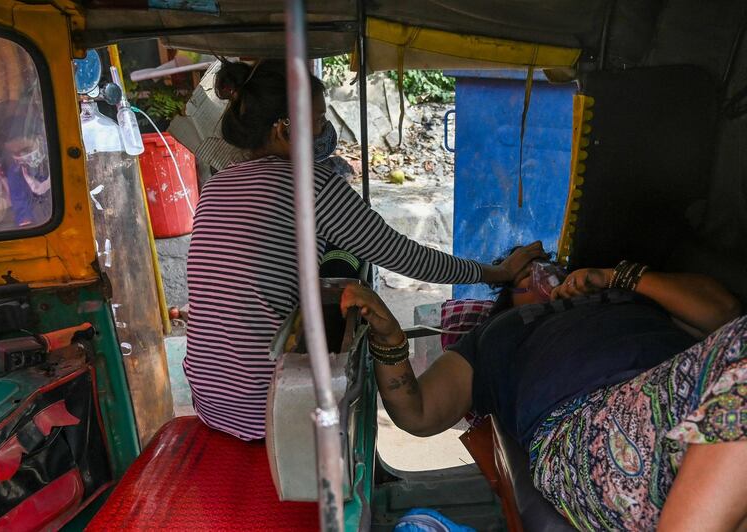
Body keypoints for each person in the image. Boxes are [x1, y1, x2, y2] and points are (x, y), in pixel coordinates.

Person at [184, 59, 546, 441]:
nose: (324, 132)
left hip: (211, 403)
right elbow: (406, 257)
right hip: (267, 410)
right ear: (283, 127)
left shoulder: (217, 184)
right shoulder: (311, 184)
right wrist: (498, 272)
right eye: (319, 120)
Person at [340, 259, 745, 530]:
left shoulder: (630, 297)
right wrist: (390, 340)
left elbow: (725, 315)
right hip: (584, 433)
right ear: (508, 293)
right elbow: (419, 413)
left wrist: (615, 277)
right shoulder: (494, 335)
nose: (543, 271)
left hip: (697, 407)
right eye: (526, 270)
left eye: (550, 263)